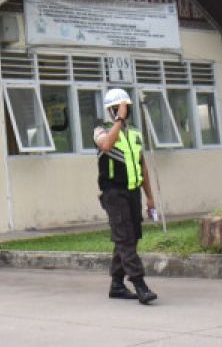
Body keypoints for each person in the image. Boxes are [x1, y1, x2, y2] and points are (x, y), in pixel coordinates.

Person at [94, 88, 158, 304]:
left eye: (126, 108)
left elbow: (143, 167)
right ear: (111, 110)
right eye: (119, 108)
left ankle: (117, 284)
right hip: (113, 193)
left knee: (130, 237)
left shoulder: (135, 133)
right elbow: (105, 145)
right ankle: (139, 284)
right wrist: (119, 121)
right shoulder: (100, 130)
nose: (123, 111)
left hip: (132, 193)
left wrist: (149, 197)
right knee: (125, 238)